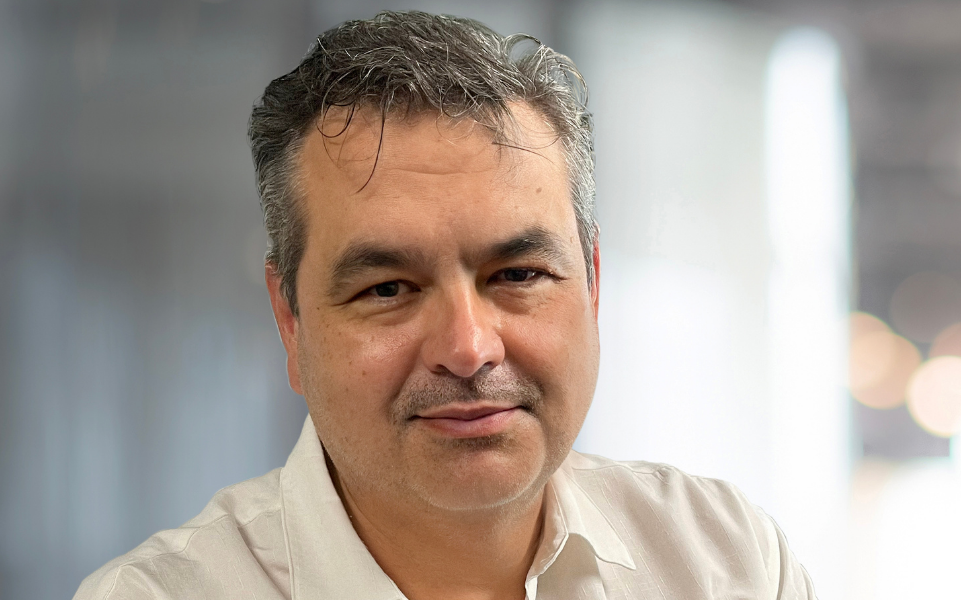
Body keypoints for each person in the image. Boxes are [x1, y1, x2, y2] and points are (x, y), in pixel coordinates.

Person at [75, 10, 815, 600]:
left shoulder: (726, 565)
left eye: (518, 274)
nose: (468, 348)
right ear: (289, 320)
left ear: (592, 287)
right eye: (387, 289)